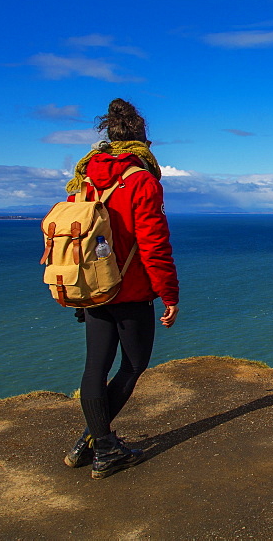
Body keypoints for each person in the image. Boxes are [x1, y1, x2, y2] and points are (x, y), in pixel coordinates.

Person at [62, 98, 180, 479]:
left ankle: (96, 439)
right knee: (133, 364)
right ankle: (104, 447)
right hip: (129, 291)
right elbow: (154, 245)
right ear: (142, 142)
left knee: (94, 367)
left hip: (92, 286)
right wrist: (170, 295)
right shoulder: (141, 180)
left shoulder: (84, 178)